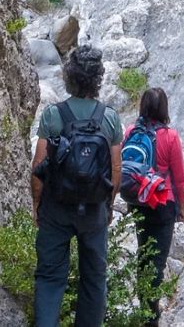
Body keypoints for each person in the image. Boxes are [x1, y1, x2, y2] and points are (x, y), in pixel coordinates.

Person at [30, 45, 123, 327]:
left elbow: (37, 169)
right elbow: (115, 169)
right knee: (94, 279)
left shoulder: (52, 115)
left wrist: (38, 206)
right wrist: (107, 207)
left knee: (49, 277)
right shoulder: (109, 118)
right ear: (98, 80)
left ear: (68, 77)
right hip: (93, 209)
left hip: (56, 209)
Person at [123, 87, 184, 326]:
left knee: (143, 255)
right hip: (162, 202)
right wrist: (183, 206)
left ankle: (145, 308)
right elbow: (179, 177)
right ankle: (151, 317)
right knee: (157, 262)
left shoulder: (130, 131)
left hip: (137, 200)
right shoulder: (170, 136)